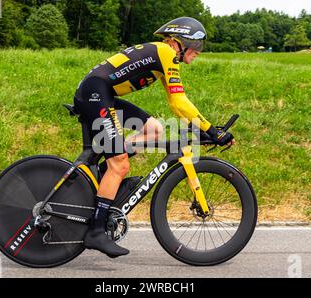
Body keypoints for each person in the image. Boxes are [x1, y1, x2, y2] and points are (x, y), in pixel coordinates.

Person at [73, 17, 235, 258]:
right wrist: (211, 129)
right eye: (198, 46)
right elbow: (180, 102)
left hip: (100, 93)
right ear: (182, 42)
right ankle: (96, 231)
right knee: (120, 164)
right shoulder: (165, 53)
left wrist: (201, 126)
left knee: (154, 129)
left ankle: (108, 173)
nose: (199, 53)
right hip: (96, 94)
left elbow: (175, 103)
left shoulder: (161, 55)